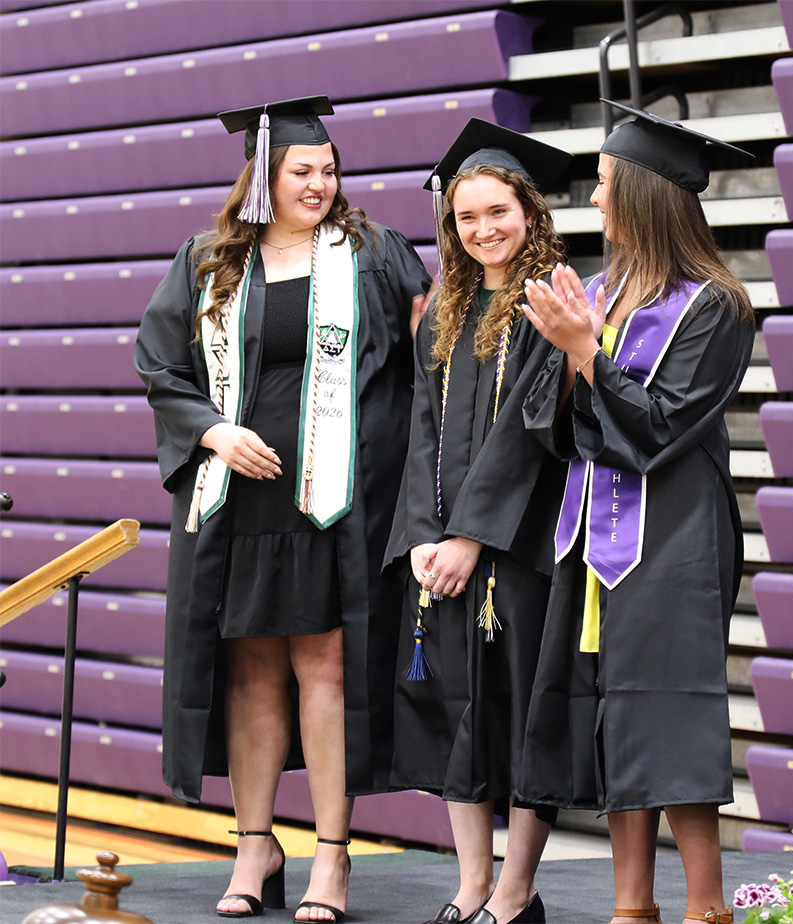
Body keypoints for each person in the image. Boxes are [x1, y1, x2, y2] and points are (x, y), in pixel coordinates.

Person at [134, 96, 430, 923]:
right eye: (304, 170)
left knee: (325, 672)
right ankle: (255, 843)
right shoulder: (208, 260)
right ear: (263, 175)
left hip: (333, 503)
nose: (322, 184)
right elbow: (161, 365)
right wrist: (215, 433)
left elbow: (427, 346)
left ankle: (331, 859)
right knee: (253, 673)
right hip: (240, 499)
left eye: (329, 170)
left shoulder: (371, 254)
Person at [516, 101, 756, 924]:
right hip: (594, 538)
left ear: (647, 196)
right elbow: (554, 420)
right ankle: (631, 909)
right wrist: (564, 355)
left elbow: (659, 430)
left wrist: (586, 353)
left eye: (607, 184)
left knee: (670, 711)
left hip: (674, 539)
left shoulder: (714, 308)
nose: (594, 201)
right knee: (616, 710)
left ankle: (705, 909)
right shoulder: (603, 291)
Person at [385, 119, 572, 924]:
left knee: (524, 714)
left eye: (498, 211)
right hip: (443, 552)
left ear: (528, 210)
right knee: (458, 715)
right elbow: (422, 427)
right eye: (467, 218)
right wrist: (426, 537)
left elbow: (530, 435)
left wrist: (471, 535)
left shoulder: (551, 300)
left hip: (519, 549)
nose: (484, 229)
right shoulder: (447, 308)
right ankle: (471, 883)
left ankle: (516, 886)